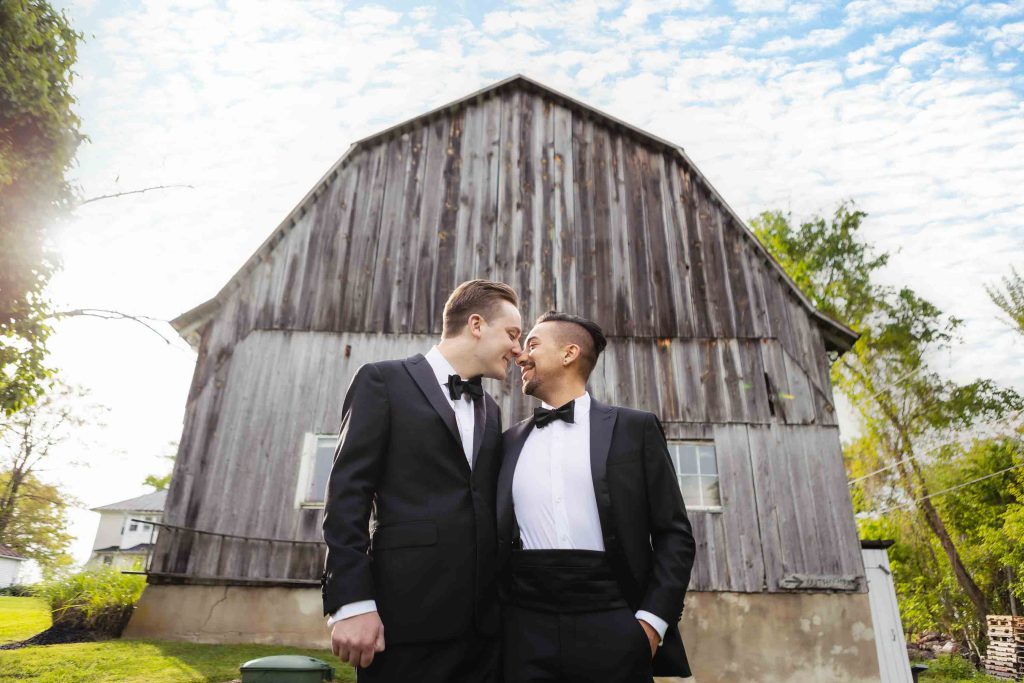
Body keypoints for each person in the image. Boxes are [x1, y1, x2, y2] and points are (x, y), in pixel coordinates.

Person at [321, 279, 523, 683]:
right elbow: (347, 495)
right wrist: (352, 602)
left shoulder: (493, 410)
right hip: (405, 620)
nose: (519, 349)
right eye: (513, 334)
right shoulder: (382, 381)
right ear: (477, 324)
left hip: (483, 633)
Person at [498, 311, 696, 683]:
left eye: (533, 345)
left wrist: (651, 624)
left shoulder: (634, 429)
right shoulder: (507, 443)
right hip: (524, 629)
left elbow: (675, 535)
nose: (520, 356)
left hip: (614, 621)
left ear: (570, 353)